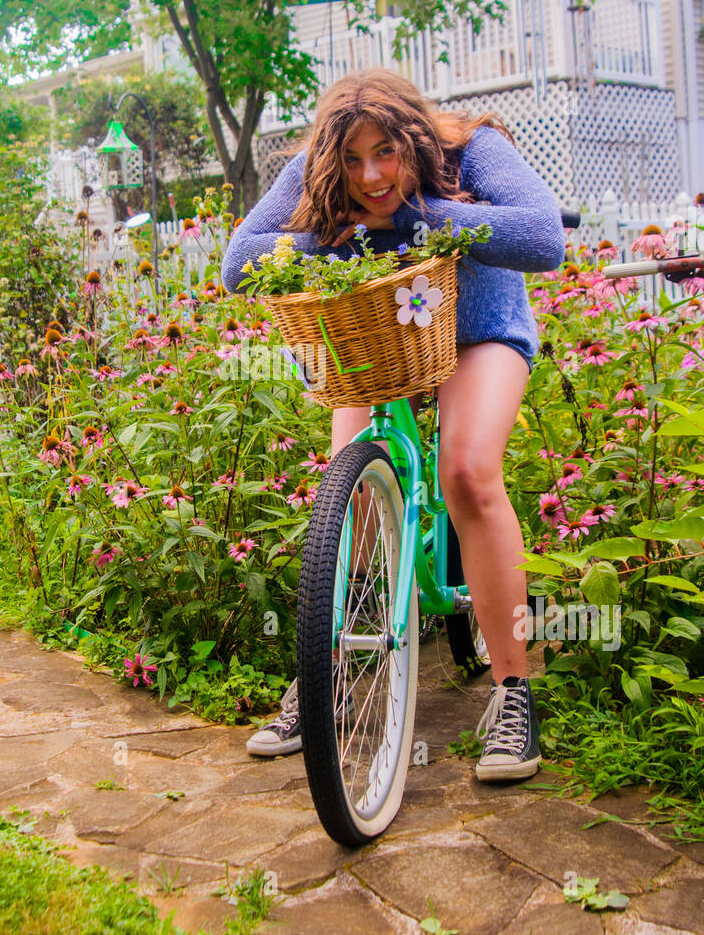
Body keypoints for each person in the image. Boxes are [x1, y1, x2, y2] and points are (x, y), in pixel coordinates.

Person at [220, 68, 565, 781]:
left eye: (385, 152)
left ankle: (511, 692)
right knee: (346, 499)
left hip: (479, 331)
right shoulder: (315, 168)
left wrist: (414, 218)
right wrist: (332, 236)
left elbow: (541, 238)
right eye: (351, 159)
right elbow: (237, 260)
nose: (368, 174)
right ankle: (326, 680)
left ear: (412, 136)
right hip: (377, 337)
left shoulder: (473, 149)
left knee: (466, 472)